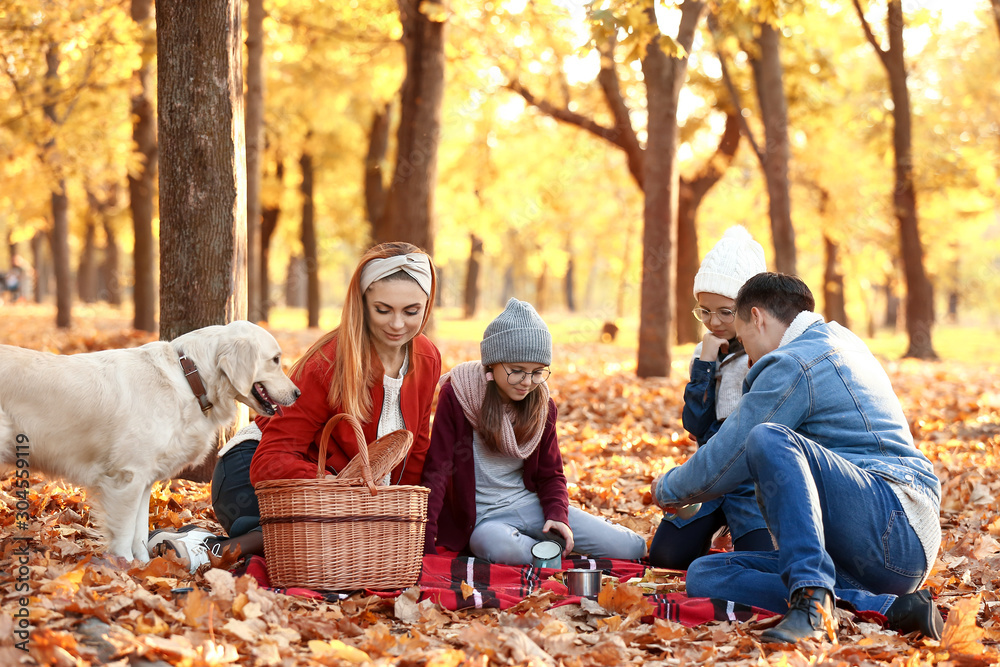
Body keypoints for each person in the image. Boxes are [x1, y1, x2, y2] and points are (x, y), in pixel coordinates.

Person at [652, 273, 943, 643]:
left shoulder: (796, 360)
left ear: (757, 317)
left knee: (767, 437)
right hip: (866, 548)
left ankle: (811, 602)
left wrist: (669, 488)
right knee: (706, 574)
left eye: (744, 340)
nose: (750, 355)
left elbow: (733, 450)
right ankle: (884, 606)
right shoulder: (839, 339)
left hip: (895, 528)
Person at [148, 242, 442, 572]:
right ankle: (209, 548)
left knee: (354, 538)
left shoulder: (427, 358)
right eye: (383, 310)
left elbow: (414, 449)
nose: (397, 325)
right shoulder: (328, 363)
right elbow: (270, 461)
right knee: (326, 536)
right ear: (362, 304)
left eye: (411, 311)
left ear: (427, 306)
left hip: (341, 493)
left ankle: (204, 542)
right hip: (249, 475)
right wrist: (335, 488)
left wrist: (408, 522)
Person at [421, 297, 648, 565]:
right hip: (483, 522)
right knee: (498, 546)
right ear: (493, 363)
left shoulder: (542, 405)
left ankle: (546, 549)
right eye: (517, 371)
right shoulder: (459, 394)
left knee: (632, 549)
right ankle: (546, 556)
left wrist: (557, 516)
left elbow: (551, 475)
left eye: (537, 372)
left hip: (530, 506)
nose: (527, 382)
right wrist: (425, 545)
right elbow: (437, 471)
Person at [648, 226, 773, 569]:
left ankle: (741, 531)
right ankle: (711, 530)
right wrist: (705, 366)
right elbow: (695, 424)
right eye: (704, 311)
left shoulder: (769, 355)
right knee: (665, 559)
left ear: (752, 309)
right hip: (710, 474)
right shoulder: (706, 353)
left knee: (760, 563)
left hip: (752, 481)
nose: (713, 321)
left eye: (725, 312)